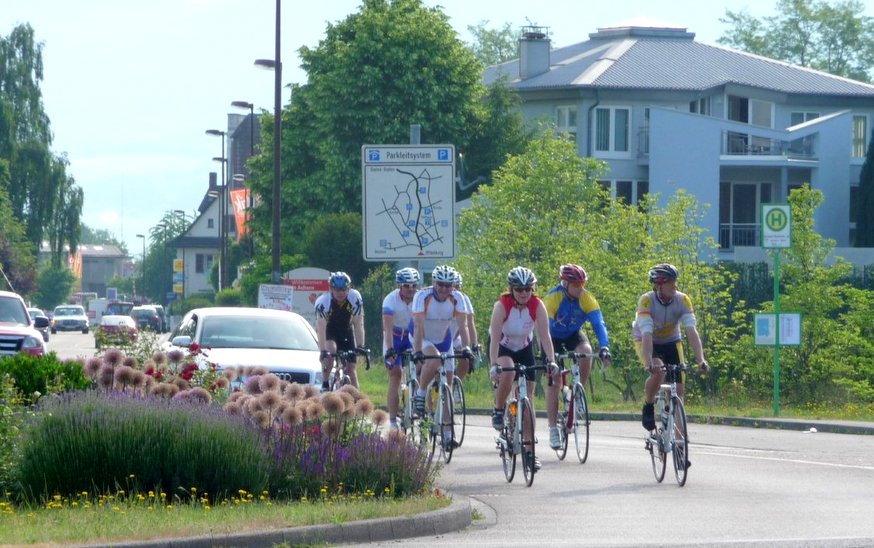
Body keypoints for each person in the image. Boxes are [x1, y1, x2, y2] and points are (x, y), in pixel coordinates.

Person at [489, 266, 557, 471]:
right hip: (503, 347)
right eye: (519, 289)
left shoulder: (537, 305)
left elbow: (545, 337)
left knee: (527, 400)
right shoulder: (502, 305)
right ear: (511, 289)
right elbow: (493, 338)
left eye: (528, 289)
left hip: (525, 348)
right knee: (508, 370)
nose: (524, 293)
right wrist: (493, 364)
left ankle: (529, 451)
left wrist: (551, 361)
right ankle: (499, 410)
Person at [542, 263, 612, 450]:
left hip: (573, 333)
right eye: (577, 285)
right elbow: (545, 329)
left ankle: (578, 391)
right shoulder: (553, 298)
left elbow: (599, 324)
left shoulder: (586, 298)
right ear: (565, 284)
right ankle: (552, 429)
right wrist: (551, 356)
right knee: (554, 382)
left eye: (583, 284)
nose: (581, 289)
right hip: (551, 337)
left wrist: (605, 347)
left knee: (586, 351)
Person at [632, 263, 708, 432]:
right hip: (647, 340)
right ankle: (649, 404)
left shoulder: (683, 299)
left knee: (679, 391)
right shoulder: (646, 301)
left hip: (672, 341)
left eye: (675, 281)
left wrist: (701, 360)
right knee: (659, 371)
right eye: (671, 282)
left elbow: (691, 331)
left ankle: (680, 444)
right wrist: (648, 362)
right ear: (659, 285)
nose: (675, 286)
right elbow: (646, 335)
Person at [411, 265, 473, 448]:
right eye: (440, 284)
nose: (444, 289)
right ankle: (421, 394)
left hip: (444, 340)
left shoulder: (457, 298)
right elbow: (417, 325)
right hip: (422, 337)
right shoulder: (422, 296)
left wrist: (466, 348)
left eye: (448, 285)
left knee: (448, 385)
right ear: (434, 283)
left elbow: (464, 326)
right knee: (434, 360)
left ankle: (447, 433)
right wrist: (417, 351)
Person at [381, 267, 420, 430]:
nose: (410, 290)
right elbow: (388, 329)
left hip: (411, 336)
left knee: (422, 369)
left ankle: (419, 403)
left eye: (413, 286)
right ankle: (392, 421)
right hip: (395, 336)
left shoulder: (420, 298)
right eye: (406, 286)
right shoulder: (390, 300)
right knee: (395, 375)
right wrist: (390, 350)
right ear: (400, 286)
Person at [314, 271, 366, 390]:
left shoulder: (355, 297)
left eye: (344, 289)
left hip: (346, 329)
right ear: (331, 289)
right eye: (337, 289)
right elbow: (321, 328)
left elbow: (359, 323)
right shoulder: (322, 302)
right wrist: (323, 350)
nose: (341, 293)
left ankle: (357, 401)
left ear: (349, 288)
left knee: (352, 369)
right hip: (329, 329)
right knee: (330, 352)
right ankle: (326, 383)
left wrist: (360, 345)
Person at [451, 273, 478, 380]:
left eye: (458, 287)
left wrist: (474, 345)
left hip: (456, 338)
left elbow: (470, 323)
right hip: (439, 338)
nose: (455, 290)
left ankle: (456, 387)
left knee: (465, 360)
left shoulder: (464, 298)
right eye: (453, 287)